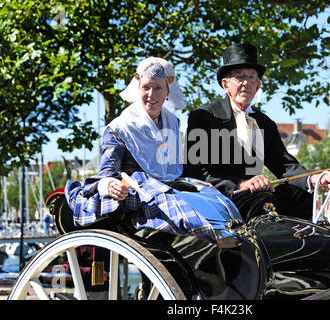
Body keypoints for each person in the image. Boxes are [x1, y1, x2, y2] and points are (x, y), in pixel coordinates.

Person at [64, 57, 241, 246]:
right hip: (135, 194)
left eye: (158, 88)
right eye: (146, 87)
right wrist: (110, 185)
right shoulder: (120, 127)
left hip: (170, 187)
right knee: (160, 193)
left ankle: (231, 229)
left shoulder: (173, 122)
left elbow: (173, 169)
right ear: (138, 88)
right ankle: (211, 233)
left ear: (167, 92)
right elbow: (107, 173)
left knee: (207, 193)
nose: (151, 94)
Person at [184, 43, 330, 221]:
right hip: (218, 198)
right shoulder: (204, 117)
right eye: (240, 77)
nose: (246, 83)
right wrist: (240, 184)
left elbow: (284, 166)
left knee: (301, 195)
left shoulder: (265, 123)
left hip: (257, 197)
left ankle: (302, 244)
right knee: (263, 200)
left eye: (252, 77)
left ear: (258, 85)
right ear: (225, 84)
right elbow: (195, 172)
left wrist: (317, 179)